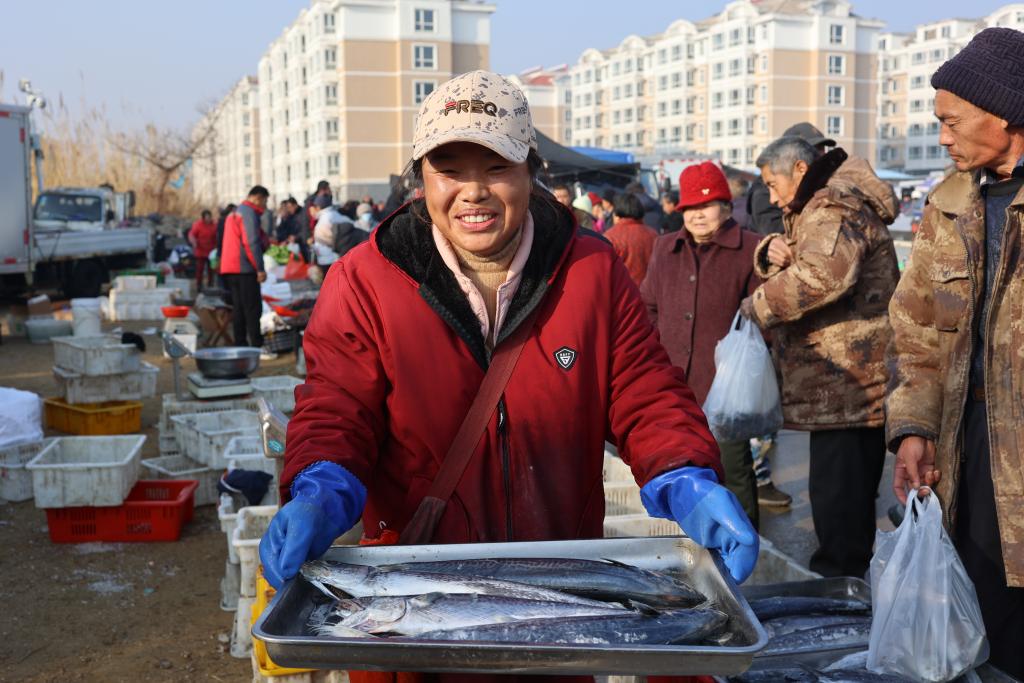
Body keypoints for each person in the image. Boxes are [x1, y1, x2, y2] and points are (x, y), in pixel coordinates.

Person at [259, 70, 758, 668]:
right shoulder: (364, 281)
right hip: (411, 605)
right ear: (421, 178)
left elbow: (647, 393)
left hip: (562, 600)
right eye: (449, 170)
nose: (473, 191)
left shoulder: (592, 272)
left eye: (496, 167)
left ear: (530, 171)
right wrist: (321, 483)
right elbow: (337, 406)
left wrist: (684, 474)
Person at [885, 27, 1024, 677]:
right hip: (966, 454)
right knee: (979, 621)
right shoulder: (947, 207)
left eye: (952, 121)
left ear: (1006, 114)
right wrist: (914, 427)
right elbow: (913, 333)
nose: (942, 137)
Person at [739, 136, 900, 578]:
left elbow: (821, 275)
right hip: (843, 388)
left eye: (773, 184)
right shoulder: (823, 204)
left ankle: (841, 600)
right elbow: (809, 257)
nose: (773, 198)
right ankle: (844, 587)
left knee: (840, 512)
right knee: (840, 504)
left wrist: (757, 306)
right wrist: (771, 250)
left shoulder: (833, 205)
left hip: (848, 388)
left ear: (799, 169)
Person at [642, 162, 763, 529]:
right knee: (680, 466)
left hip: (727, 386)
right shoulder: (666, 247)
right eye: (690, 207)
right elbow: (647, 306)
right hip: (674, 383)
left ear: (725, 206)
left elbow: (763, 318)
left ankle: (744, 542)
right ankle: (690, 543)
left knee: (733, 468)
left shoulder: (750, 248)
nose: (697, 215)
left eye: (706, 205)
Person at [746, 123, 834, 236]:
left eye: (822, 149)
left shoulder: (832, 184)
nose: (819, 155)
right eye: (812, 149)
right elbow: (774, 232)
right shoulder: (765, 192)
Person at [220, 186, 270, 352]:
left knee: (239, 308)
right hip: (244, 267)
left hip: (230, 267)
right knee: (252, 308)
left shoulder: (234, 212)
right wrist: (259, 268)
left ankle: (240, 344)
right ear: (257, 198)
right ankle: (257, 345)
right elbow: (251, 242)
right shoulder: (248, 213)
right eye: (264, 201)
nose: (264, 205)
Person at [604, 192, 657, 286]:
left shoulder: (610, 237)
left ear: (616, 213)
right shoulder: (654, 234)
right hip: (652, 290)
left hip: (625, 291)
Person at [310, 195, 367, 261]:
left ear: (319, 206)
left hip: (329, 255)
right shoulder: (329, 215)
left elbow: (351, 226)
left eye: (315, 206)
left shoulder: (328, 217)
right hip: (329, 254)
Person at [188, 209, 218, 289]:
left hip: (211, 251)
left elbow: (217, 236)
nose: (208, 219)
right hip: (200, 251)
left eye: (209, 217)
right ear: (203, 218)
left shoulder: (214, 225)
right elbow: (191, 234)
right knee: (199, 269)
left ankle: (210, 284)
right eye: (206, 217)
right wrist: (194, 242)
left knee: (211, 269)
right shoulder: (198, 225)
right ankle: (199, 285)